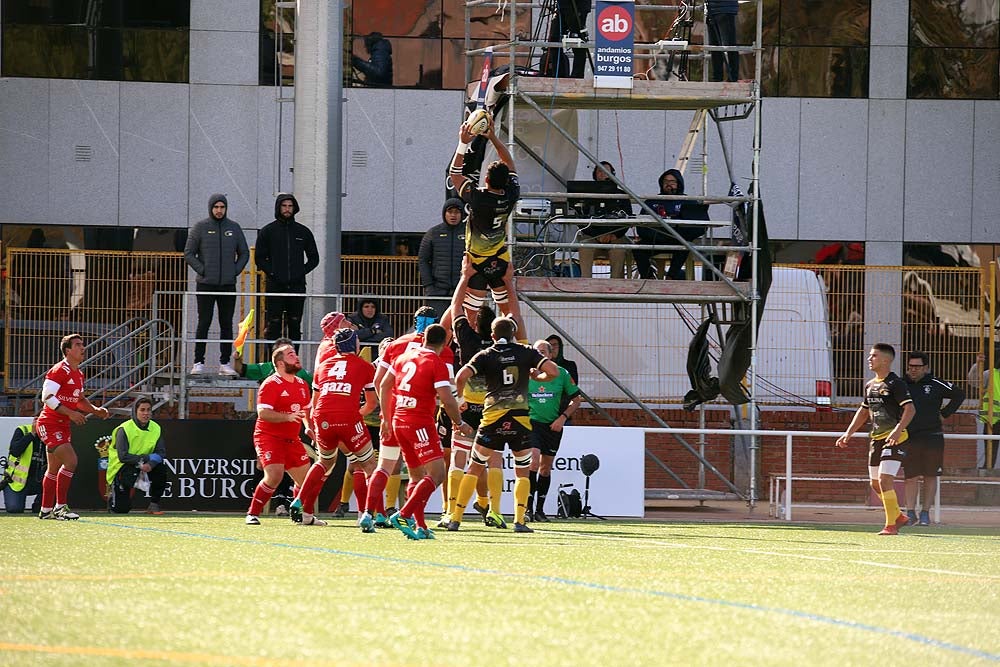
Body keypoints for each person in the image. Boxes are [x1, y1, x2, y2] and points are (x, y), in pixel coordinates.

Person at [450, 317, 560, 533]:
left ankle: (456, 518)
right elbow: (554, 371)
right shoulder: (526, 352)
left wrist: (461, 401)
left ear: (492, 336)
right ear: (512, 334)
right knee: (522, 471)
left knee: (474, 467)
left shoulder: (486, 355)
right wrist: (539, 377)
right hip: (519, 419)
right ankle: (519, 521)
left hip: (492, 418)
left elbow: (461, 376)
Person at [377, 324, 471, 539]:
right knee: (436, 474)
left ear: (424, 338)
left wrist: (387, 418)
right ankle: (404, 514)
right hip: (419, 422)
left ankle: (420, 526)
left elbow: (383, 384)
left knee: (417, 477)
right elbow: (447, 399)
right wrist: (459, 422)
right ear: (444, 343)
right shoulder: (435, 362)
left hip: (399, 421)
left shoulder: (404, 356)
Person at [364, 306, 455, 526]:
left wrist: (385, 414)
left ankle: (369, 514)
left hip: (394, 413)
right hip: (418, 417)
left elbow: (379, 381)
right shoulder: (443, 352)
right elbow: (448, 390)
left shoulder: (396, 345)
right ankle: (410, 517)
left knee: (384, 466)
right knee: (426, 473)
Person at [290, 328, 378, 532]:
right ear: (353, 344)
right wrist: (354, 416)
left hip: (322, 418)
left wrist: (312, 426)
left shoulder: (323, 367)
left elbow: (314, 403)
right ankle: (366, 515)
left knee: (324, 461)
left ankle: (299, 501)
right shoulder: (364, 366)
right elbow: (371, 404)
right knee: (369, 465)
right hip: (348, 418)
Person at [836, 343, 916, 535]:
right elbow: (864, 411)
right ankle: (899, 516)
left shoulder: (896, 384)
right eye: (870, 356)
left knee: (884, 479)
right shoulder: (870, 385)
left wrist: (897, 430)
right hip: (876, 439)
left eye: (874, 356)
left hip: (895, 439)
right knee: (874, 483)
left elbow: (910, 409)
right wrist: (848, 433)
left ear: (886, 360)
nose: (869, 359)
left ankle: (891, 526)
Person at [449, 116, 523, 323]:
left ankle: (468, 349)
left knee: (470, 315)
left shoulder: (479, 197)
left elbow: (455, 174)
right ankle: (510, 345)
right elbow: (510, 163)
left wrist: (463, 143)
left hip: (476, 261)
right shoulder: (512, 193)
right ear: (506, 180)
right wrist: (493, 137)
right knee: (508, 315)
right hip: (499, 258)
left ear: (486, 179)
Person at [233, 336, 315, 515]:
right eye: (291, 355)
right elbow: (263, 413)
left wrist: (309, 427)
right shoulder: (270, 383)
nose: (296, 357)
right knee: (275, 475)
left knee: (307, 481)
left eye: (295, 353)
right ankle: (252, 514)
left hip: (292, 439)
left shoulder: (302, 383)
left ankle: (300, 515)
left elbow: (306, 411)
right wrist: (287, 417)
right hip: (269, 437)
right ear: (280, 363)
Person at [37, 334, 111, 520]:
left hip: (62, 426)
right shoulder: (59, 370)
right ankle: (60, 508)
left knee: (53, 469)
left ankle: (46, 510)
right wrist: (71, 413)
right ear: (67, 350)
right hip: (49, 423)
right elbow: (46, 397)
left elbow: (79, 400)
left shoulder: (78, 374)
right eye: (78, 345)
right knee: (71, 461)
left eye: (82, 345)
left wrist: (95, 410)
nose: (82, 348)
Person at [184, 193, 250, 376]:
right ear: (210, 208)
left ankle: (224, 363)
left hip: (227, 285)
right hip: (205, 284)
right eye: (216, 207)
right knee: (204, 322)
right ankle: (198, 362)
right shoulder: (200, 227)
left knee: (226, 323)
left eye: (222, 207)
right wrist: (203, 270)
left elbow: (244, 253)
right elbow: (188, 253)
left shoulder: (234, 228)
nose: (219, 210)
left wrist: (234, 271)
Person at [902, 351, 965, 526]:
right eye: (910, 366)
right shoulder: (901, 384)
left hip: (932, 436)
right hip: (909, 437)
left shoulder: (935, 383)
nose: (913, 370)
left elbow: (959, 394)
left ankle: (925, 513)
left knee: (930, 475)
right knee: (910, 476)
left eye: (917, 367)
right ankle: (910, 513)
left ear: (926, 368)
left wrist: (944, 414)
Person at [254, 193, 320, 349]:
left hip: (297, 286)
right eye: (284, 206)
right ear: (278, 207)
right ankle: (273, 363)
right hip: (275, 286)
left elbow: (314, 258)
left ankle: (294, 362)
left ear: (295, 208)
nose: (287, 209)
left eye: (290, 206)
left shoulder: (303, 232)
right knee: (274, 324)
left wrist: (300, 272)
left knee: (295, 324)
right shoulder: (268, 231)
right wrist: (273, 273)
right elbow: (260, 258)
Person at [527, 339, 581, 521]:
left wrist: (562, 418)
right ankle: (527, 509)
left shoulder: (562, 374)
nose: (540, 354)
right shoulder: (526, 374)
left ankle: (540, 510)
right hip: (531, 424)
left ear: (551, 355)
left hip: (553, 426)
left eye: (544, 351)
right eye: (537, 351)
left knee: (545, 469)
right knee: (533, 462)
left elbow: (576, 399)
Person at [633, 169, 709, 280]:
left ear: (679, 183)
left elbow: (700, 226)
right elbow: (641, 225)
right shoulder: (651, 201)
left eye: (672, 181)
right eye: (665, 181)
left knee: (685, 246)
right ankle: (649, 279)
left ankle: (671, 278)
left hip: (678, 239)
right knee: (638, 249)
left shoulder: (688, 201)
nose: (669, 184)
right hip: (655, 239)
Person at [107, 396, 167, 514]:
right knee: (121, 510)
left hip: (145, 464)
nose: (146, 413)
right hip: (123, 467)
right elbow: (123, 456)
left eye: (148, 410)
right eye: (142, 410)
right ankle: (113, 498)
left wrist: (150, 464)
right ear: (135, 411)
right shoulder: (124, 429)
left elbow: (161, 452)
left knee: (161, 468)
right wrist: (146, 459)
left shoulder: (155, 427)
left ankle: (154, 504)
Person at [577, 161, 631, 279]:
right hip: (591, 237)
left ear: (612, 174)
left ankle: (615, 287)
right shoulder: (587, 195)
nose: (603, 174)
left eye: (606, 171)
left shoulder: (621, 195)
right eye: (600, 171)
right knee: (584, 246)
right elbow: (580, 218)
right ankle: (586, 286)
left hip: (616, 237)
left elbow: (628, 219)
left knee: (619, 250)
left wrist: (615, 235)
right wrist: (596, 235)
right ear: (595, 175)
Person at [418, 198, 466, 316]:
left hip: (463, 290)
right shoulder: (433, 233)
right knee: (437, 327)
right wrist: (429, 285)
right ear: (444, 213)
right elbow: (423, 260)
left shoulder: (469, 233)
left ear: (462, 214)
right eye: (450, 212)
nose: (453, 215)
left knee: (461, 326)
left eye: (457, 212)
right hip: (437, 292)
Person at [2, 419, 45, 514]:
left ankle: (38, 505)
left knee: (43, 509)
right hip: (16, 480)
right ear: (35, 420)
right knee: (14, 509)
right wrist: (32, 434)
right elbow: (15, 451)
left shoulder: (51, 436)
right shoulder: (22, 430)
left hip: (39, 482)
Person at [540, 0, 591, 78]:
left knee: (577, 40)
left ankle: (577, 76)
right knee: (554, 39)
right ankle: (559, 75)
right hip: (562, 6)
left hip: (578, 7)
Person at [968, 348, 1000, 469]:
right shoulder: (991, 374)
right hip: (993, 418)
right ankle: (988, 467)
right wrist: (978, 365)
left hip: (993, 418)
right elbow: (974, 381)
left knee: (991, 442)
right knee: (990, 443)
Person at [706, 0, 740, 83]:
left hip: (724, 9)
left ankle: (732, 77)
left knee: (729, 45)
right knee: (715, 47)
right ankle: (718, 77)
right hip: (713, 10)